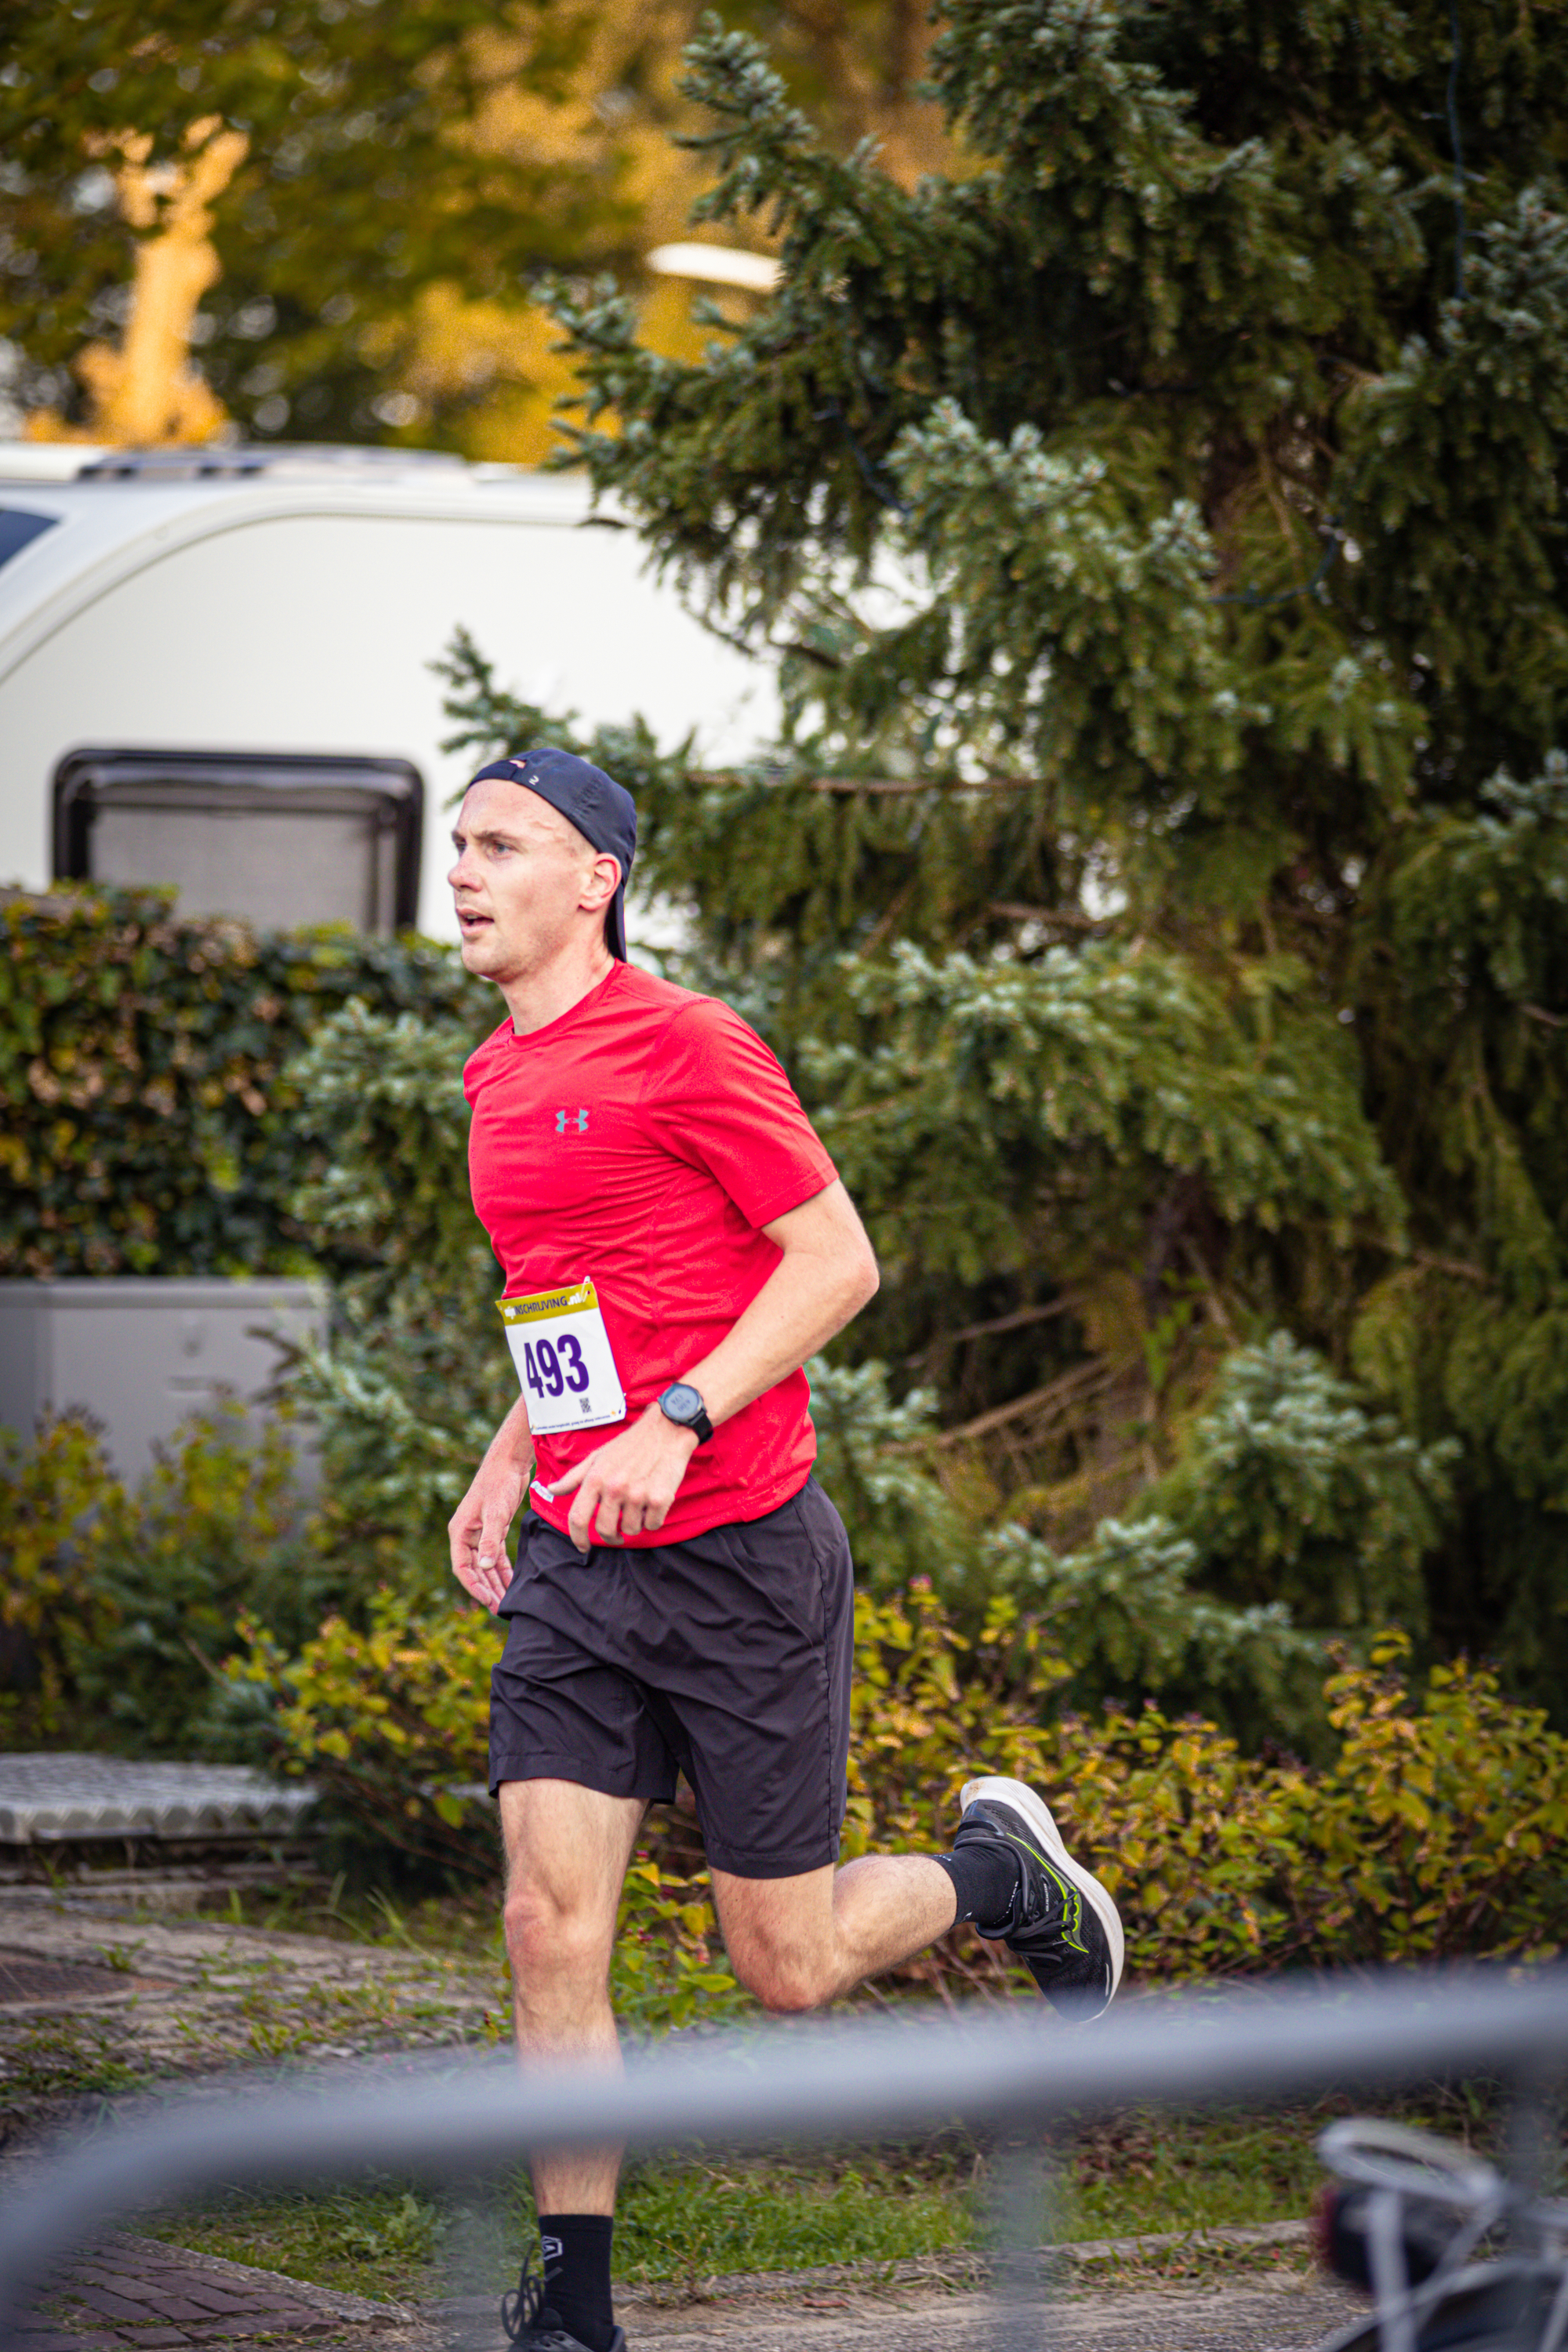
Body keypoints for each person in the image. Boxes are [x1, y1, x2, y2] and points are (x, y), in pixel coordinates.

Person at [446, 748, 1123, 2352]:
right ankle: (572, 2303)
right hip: (576, 1560)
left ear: (593, 877)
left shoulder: (688, 1044)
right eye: (458, 843)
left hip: (739, 1556)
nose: (462, 872)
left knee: (788, 1962)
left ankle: (996, 1875)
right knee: (547, 1924)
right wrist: (506, 1464)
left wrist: (674, 1419)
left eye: (498, 845)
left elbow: (836, 1262)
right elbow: (563, 1295)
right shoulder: (492, 1073)